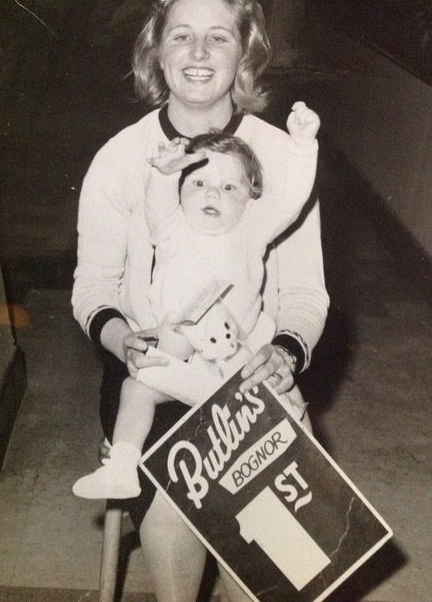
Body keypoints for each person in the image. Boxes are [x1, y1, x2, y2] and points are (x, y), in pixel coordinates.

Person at [72, 0, 329, 601]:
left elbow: (305, 294)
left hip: (248, 372)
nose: (198, 53)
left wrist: (287, 352)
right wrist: (126, 340)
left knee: (266, 546)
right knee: (177, 506)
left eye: (218, 38)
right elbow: (93, 289)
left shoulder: (279, 159)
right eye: (181, 35)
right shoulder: (120, 157)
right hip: (154, 376)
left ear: (245, 54)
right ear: (155, 49)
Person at [73, 106, 319, 500]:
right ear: (181, 190)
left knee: (289, 402)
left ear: (251, 199)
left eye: (229, 188)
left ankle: (308, 480)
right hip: (186, 368)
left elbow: (291, 199)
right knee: (136, 390)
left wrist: (303, 146)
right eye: (199, 182)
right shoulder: (169, 228)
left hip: (241, 372)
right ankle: (121, 467)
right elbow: (156, 201)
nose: (211, 194)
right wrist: (164, 172)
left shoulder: (252, 229)